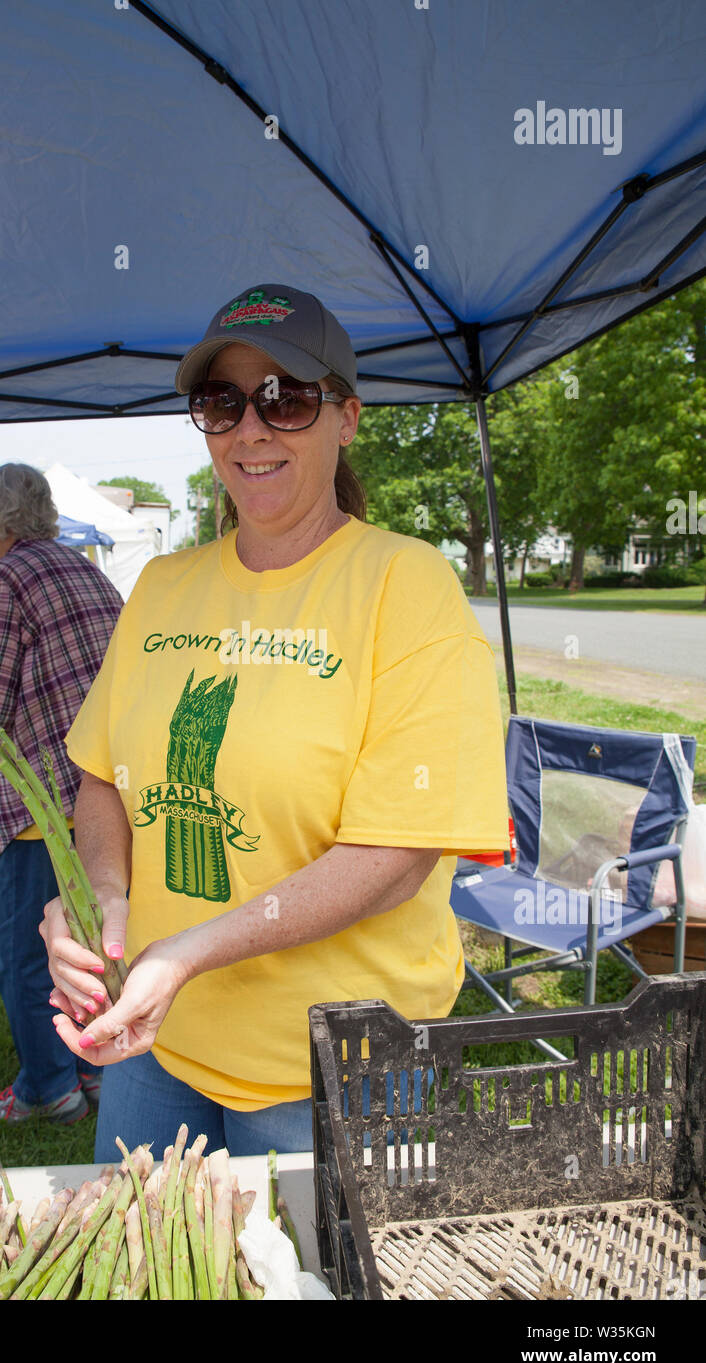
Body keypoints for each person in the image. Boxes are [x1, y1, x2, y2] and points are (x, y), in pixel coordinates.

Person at [41, 283, 511, 1161]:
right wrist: (104, 901)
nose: (251, 429)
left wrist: (185, 953)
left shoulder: (405, 588)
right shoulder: (162, 587)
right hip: (157, 1040)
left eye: (285, 398)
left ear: (346, 418)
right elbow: (103, 775)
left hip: (335, 1066)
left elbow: (396, 859)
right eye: (222, 403)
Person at [0, 463, 125, 1128]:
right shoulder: (83, 566)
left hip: (41, 806)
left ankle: (46, 1090)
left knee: (27, 952)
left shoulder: (2, 578)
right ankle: (92, 1064)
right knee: (85, 941)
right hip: (105, 792)